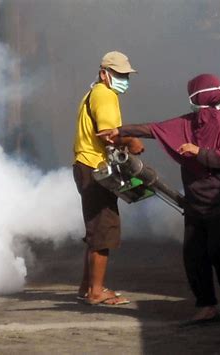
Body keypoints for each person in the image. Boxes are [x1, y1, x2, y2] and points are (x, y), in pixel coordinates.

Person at [97, 74, 220, 324]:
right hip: (196, 200)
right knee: (194, 254)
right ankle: (207, 306)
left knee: (219, 251)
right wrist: (120, 131)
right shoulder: (189, 122)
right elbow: (154, 129)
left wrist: (199, 151)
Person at [73, 51, 144, 305]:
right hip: (96, 169)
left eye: (126, 75)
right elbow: (107, 134)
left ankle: (87, 287)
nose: (124, 79)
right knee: (103, 230)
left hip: (87, 166)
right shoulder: (104, 94)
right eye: (120, 74)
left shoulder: (94, 93)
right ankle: (96, 292)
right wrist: (131, 140)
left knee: (95, 230)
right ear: (104, 73)